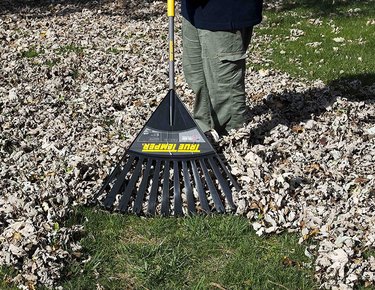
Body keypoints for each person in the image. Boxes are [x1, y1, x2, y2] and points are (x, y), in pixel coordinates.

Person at [181, 0, 263, 140]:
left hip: (225, 10)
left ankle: (231, 139)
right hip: (194, 10)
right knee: (196, 76)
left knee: (224, 86)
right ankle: (205, 131)